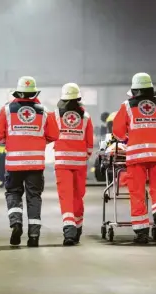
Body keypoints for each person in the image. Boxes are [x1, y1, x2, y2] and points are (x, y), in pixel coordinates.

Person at [0, 76, 60, 247]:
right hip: (36, 165)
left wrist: (10, 139)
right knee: (34, 197)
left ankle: (16, 224)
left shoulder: (7, 110)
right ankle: (34, 236)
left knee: (13, 193)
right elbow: (54, 135)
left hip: (14, 164)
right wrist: (38, 141)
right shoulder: (44, 111)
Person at [112, 72, 156, 244]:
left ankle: (142, 232)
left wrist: (129, 137)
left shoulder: (126, 106)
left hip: (135, 157)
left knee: (137, 192)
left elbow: (117, 131)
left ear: (134, 90)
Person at [53, 83, 94, 246]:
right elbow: (90, 144)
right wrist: (83, 157)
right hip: (79, 163)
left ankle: (68, 230)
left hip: (62, 162)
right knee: (78, 196)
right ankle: (77, 228)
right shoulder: (86, 117)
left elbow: (50, 135)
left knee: (66, 196)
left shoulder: (55, 115)